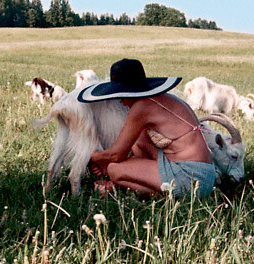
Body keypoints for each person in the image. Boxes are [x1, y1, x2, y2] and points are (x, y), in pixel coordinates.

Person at [78, 58, 216, 198]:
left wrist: (91, 156)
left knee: (114, 169)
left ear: (130, 92)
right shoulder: (161, 99)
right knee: (138, 142)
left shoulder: (142, 107)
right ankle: (133, 185)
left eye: (122, 96)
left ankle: (151, 193)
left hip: (189, 177)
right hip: (205, 175)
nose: (122, 102)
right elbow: (138, 145)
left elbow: (116, 155)